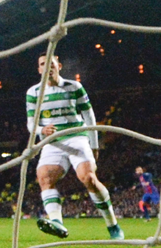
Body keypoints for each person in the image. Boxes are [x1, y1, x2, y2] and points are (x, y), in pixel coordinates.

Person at [27, 54, 123, 240]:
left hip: (76, 137)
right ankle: (57, 222)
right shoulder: (33, 93)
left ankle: (113, 225)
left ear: (59, 66)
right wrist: (41, 130)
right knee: (44, 178)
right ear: (39, 69)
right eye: (43, 64)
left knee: (88, 178)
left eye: (51, 64)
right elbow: (31, 124)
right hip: (53, 142)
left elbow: (89, 114)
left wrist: (94, 144)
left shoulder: (74, 87)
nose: (47, 67)